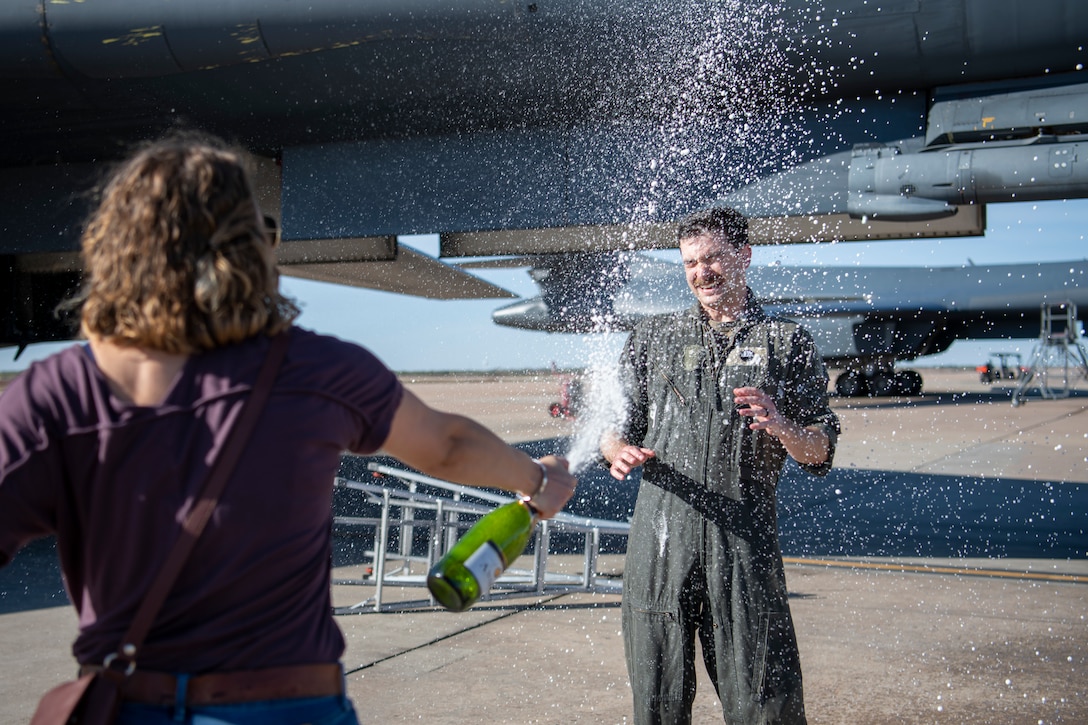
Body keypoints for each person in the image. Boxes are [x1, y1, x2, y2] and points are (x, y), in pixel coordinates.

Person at [0, 132, 577, 725]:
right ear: (251, 249)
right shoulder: (316, 370)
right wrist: (537, 478)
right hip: (285, 705)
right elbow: (447, 446)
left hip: (126, 704)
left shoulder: (57, 392)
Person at [600, 207, 839, 725]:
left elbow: (820, 448)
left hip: (743, 544)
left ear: (744, 257)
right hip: (660, 541)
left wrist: (784, 427)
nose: (701, 272)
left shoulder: (785, 340)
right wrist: (616, 450)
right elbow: (614, 426)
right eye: (690, 262)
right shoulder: (651, 338)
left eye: (713, 258)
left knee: (765, 701)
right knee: (657, 700)